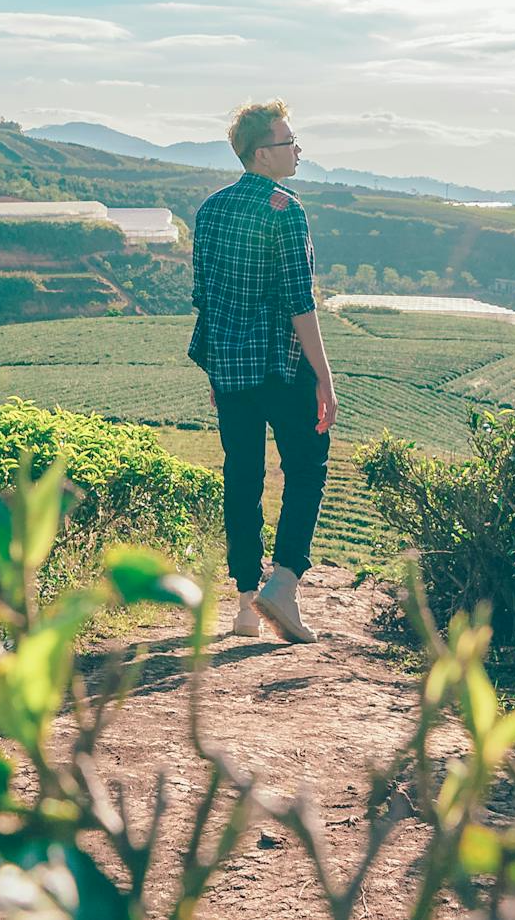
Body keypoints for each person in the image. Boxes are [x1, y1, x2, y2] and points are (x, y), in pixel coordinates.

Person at [187, 99, 337, 643]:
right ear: (261, 153)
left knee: (242, 475)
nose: (297, 150)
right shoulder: (284, 209)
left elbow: (206, 298)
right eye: (289, 142)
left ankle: (247, 606)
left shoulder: (210, 210)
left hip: (230, 368)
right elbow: (300, 303)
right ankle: (286, 584)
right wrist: (324, 377)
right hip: (281, 363)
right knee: (307, 468)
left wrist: (214, 373)